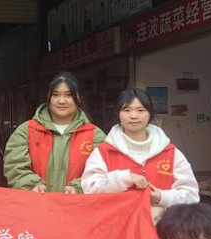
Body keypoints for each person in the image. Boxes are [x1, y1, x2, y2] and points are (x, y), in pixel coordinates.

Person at [81, 87, 199, 221]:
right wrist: (124, 178)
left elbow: (191, 195)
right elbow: (89, 187)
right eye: (127, 110)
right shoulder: (103, 152)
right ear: (118, 114)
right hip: (116, 227)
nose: (134, 116)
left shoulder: (170, 153)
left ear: (150, 114)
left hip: (159, 228)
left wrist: (161, 197)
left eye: (141, 110)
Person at [3, 72, 106, 193]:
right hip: (36, 202)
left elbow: (104, 169)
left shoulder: (95, 135)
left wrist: (78, 187)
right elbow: (15, 166)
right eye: (56, 95)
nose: (61, 101)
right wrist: (32, 185)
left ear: (78, 97)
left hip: (78, 203)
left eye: (68, 95)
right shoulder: (26, 131)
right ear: (48, 97)